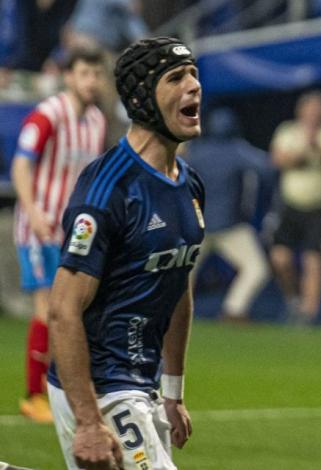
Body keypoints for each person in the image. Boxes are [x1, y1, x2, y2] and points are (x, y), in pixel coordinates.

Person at [47, 37, 204, 470]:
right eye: (176, 78)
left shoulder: (189, 185)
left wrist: (172, 392)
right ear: (142, 98)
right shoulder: (108, 188)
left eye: (193, 74)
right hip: (97, 384)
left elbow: (178, 288)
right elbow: (62, 309)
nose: (194, 86)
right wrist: (87, 422)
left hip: (141, 385)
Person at [11, 47, 106, 423]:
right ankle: (34, 396)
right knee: (48, 308)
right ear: (68, 76)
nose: (91, 81)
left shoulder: (97, 120)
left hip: (75, 232)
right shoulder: (48, 114)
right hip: (40, 226)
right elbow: (21, 164)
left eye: (96, 74)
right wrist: (33, 210)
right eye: (84, 73)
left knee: (75, 312)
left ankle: (65, 389)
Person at [269, 90, 321, 324]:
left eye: (318, 110)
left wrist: (318, 146)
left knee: (313, 259)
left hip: (319, 207)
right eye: (309, 109)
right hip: (289, 205)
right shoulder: (288, 131)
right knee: (280, 258)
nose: (313, 114)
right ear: (300, 110)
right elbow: (278, 160)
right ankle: (293, 300)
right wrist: (303, 149)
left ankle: (308, 315)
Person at [187, 108, 272, 322]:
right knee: (256, 269)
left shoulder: (195, 152)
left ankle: (175, 313)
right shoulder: (237, 150)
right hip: (228, 225)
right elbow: (266, 166)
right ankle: (234, 310)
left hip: (198, 225)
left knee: (180, 272)